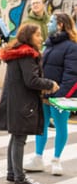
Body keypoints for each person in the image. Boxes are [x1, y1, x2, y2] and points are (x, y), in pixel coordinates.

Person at [0, 23, 59, 184]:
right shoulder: (26, 54)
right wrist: (49, 84)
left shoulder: (18, 53)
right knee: (19, 138)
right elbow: (31, 80)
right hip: (22, 102)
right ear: (29, 36)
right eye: (38, 35)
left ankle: (12, 173)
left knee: (16, 137)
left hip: (15, 100)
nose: (41, 38)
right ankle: (20, 178)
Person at [24, 12, 77, 175]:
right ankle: (38, 158)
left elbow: (72, 73)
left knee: (61, 126)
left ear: (60, 24)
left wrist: (60, 95)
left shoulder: (72, 46)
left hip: (61, 96)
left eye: (52, 21)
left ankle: (56, 160)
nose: (48, 24)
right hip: (43, 92)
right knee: (41, 125)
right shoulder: (49, 44)